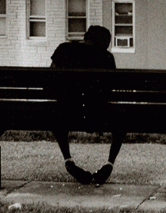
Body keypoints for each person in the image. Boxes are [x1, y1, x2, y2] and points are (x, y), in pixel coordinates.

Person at [50, 25, 124, 185]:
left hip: (67, 114)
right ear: (104, 43)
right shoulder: (107, 58)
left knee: (57, 115)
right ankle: (110, 163)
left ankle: (68, 161)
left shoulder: (63, 49)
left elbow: (50, 81)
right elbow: (111, 89)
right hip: (98, 115)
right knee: (122, 120)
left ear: (86, 37)